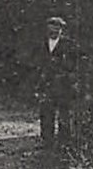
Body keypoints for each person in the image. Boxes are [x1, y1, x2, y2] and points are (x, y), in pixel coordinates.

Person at [34, 15, 79, 145]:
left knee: (64, 113)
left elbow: (75, 64)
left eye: (58, 28)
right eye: (52, 27)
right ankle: (47, 141)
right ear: (47, 29)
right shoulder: (41, 44)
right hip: (46, 84)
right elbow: (36, 64)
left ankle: (65, 142)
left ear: (62, 30)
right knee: (46, 113)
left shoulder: (69, 44)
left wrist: (71, 78)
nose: (55, 31)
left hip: (64, 84)